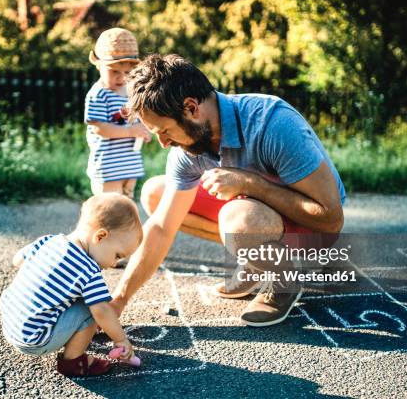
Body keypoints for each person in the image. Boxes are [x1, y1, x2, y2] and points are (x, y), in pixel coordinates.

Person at [110, 54, 346, 327]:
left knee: (238, 220)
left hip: (311, 229)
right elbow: (162, 228)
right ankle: (255, 258)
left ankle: (283, 279)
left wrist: (250, 183)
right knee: (156, 192)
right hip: (256, 213)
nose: (163, 143)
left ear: (191, 108)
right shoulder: (188, 145)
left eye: (164, 131)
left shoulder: (273, 124)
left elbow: (330, 219)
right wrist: (118, 301)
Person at [0, 193, 143, 377]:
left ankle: (73, 333)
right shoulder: (88, 270)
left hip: (11, 322)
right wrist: (121, 339)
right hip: (35, 339)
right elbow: (102, 311)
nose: (114, 264)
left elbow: (17, 260)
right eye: (117, 255)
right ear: (100, 236)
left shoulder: (49, 240)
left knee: (83, 299)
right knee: (92, 309)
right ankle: (73, 362)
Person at [84, 27, 151, 199]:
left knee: (126, 206)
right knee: (111, 209)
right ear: (99, 65)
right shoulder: (99, 94)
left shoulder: (130, 93)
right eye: (114, 72)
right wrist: (130, 131)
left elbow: (138, 119)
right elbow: (100, 129)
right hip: (108, 168)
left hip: (129, 164)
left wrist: (143, 131)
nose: (122, 78)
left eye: (128, 73)